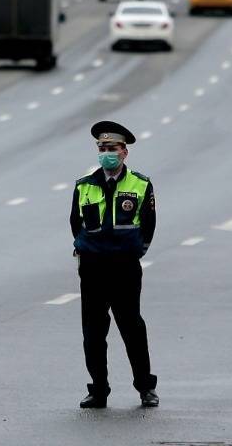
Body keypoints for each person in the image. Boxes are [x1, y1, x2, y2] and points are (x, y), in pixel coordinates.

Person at [69, 120, 159, 408]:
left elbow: (149, 224)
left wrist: (135, 252)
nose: (106, 153)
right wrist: (89, 250)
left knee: (132, 328)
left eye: (112, 148)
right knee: (93, 333)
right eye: (102, 148)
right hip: (93, 268)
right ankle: (98, 389)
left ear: (124, 153)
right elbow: (76, 223)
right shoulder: (84, 186)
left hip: (124, 267)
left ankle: (145, 388)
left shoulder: (140, 184)